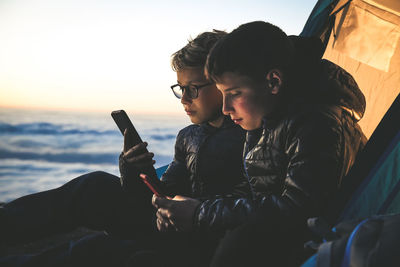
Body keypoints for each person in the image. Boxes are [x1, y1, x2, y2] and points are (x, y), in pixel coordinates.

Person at [0, 30, 247, 267]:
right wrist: (135, 169)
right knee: (94, 186)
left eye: (192, 88)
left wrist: (195, 212)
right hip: (169, 223)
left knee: (97, 248)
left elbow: (253, 204)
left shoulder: (252, 136)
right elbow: (163, 193)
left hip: (201, 237)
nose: (184, 99)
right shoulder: (189, 136)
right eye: (180, 89)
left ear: (222, 82)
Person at [151, 21, 367, 266]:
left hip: (314, 244)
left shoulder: (318, 126)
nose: (225, 108)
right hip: (273, 235)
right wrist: (193, 210)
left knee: (239, 241)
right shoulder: (267, 121)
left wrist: (201, 213)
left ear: (273, 82)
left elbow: (297, 211)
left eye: (234, 93)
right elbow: (258, 196)